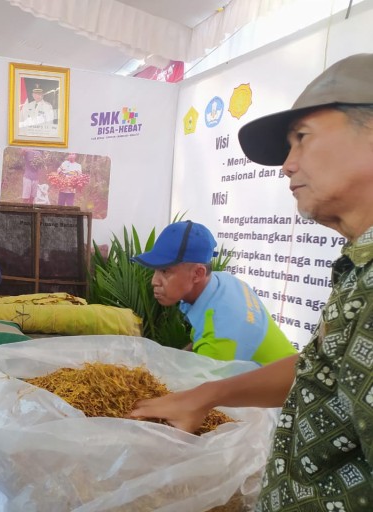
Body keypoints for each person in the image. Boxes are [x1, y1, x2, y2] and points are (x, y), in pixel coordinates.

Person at [129, 54, 373, 511]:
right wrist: (205, 395)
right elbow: (319, 370)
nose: (287, 164)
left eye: (302, 138)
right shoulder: (359, 265)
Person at [132, 220, 297, 366]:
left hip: (279, 395)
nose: (154, 281)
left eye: (165, 271)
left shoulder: (221, 337)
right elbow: (202, 336)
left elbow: (197, 392)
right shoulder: (222, 282)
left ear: (198, 273)